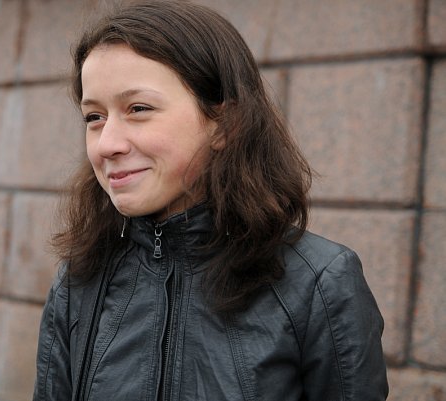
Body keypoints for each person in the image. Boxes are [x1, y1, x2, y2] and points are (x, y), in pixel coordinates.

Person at [32, 1, 389, 400]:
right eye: (94, 117)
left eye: (138, 109)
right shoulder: (79, 280)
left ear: (225, 124)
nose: (107, 144)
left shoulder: (320, 283)